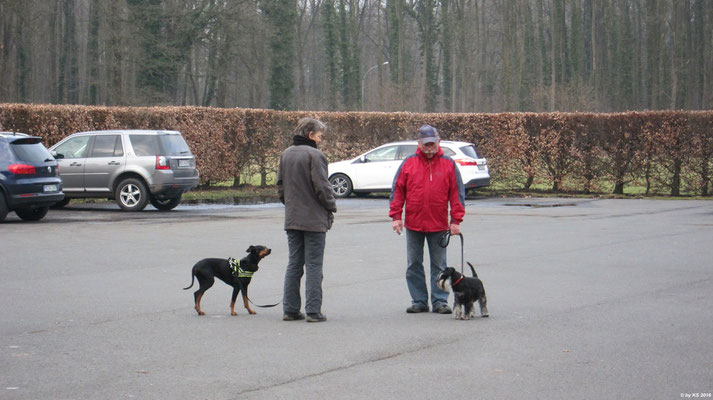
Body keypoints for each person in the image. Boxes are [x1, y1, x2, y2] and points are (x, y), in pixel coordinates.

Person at [389, 124, 466, 314]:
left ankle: (440, 301)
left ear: (439, 142)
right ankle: (419, 301)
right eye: (426, 145)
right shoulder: (408, 163)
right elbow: (397, 191)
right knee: (413, 264)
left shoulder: (449, 164)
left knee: (439, 266)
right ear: (419, 143)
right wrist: (396, 217)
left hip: (439, 224)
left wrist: (456, 220)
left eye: (433, 144)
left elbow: (457, 194)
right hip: (414, 224)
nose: (430, 148)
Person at [277, 117, 337, 323]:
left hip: (293, 219)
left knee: (294, 264)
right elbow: (323, 187)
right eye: (320, 136)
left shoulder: (286, 154)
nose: (321, 140)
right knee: (313, 265)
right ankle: (313, 311)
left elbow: (281, 188)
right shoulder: (315, 155)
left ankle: (290, 309)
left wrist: (292, 206)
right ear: (310, 135)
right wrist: (331, 206)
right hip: (313, 220)